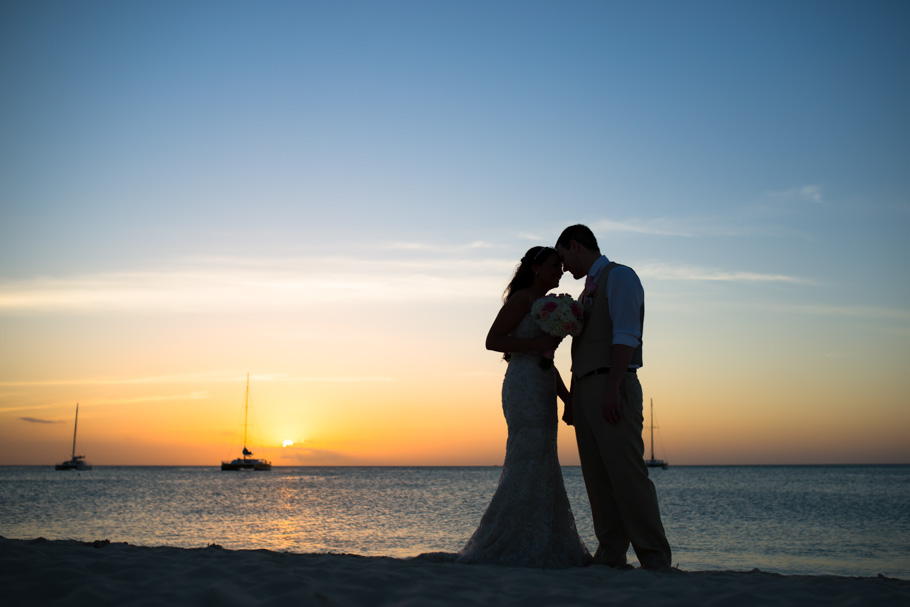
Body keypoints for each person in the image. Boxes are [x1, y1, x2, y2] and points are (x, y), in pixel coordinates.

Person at [456, 246, 591, 568]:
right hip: (522, 385)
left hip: (542, 384)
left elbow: (547, 359)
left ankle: (543, 538)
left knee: (544, 455)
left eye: (561, 265)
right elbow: (493, 340)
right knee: (526, 455)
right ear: (536, 269)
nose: (560, 270)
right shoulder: (522, 301)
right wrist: (536, 344)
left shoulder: (547, 306)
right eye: (554, 265)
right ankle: (508, 538)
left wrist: (567, 397)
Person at [555, 224, 672, 571]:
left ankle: (654, 557)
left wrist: (612, 389)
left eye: (563, 257)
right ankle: (610, 551)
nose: (563, 268)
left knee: (627, 474)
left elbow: (625, 335)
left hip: (613, 384)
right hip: (586, 386)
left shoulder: (620, 277)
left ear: (575, 246)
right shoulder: (585, 292)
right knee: (597, 476)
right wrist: (575, 399)